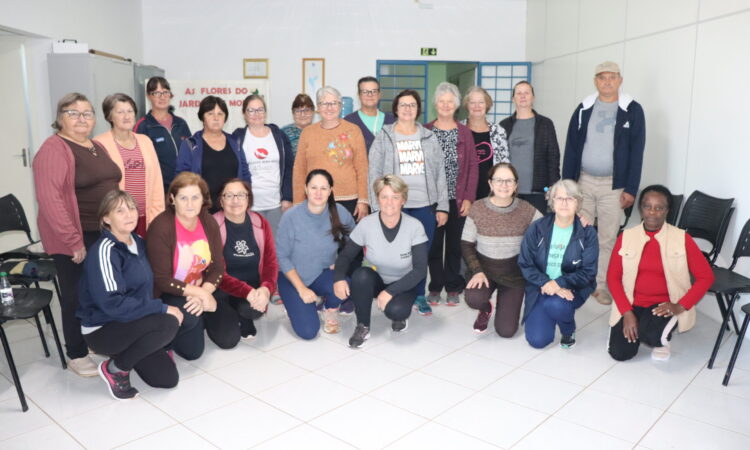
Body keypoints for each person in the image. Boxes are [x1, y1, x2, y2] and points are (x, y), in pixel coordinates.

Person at [33, 92, 122, 377]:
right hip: (75, 234)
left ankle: (90, 338)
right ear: (60, 118)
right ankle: (76, 352)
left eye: (87, 113)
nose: (81, 118)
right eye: (73, 113)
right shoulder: (54, 148)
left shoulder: (95, 146)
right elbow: (50, 200)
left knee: (97, 291)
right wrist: (72, 240)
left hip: (102, 232)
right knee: (75, 294)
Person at [78, 190, 183, 400]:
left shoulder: (139, 242)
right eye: (120, 211)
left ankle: (130, 352)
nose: (129, 215)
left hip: (132, 321)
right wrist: (161, 309)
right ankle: (116, 368)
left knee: (167, 379)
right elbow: (113, 304)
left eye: (132, 208)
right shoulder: (105, 251)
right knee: (168, 322)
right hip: (104, 327)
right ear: (106, 218)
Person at [562, 61, 646, 305]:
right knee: (579, 234)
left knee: (607, 238)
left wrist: (631, 188)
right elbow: (571, 147)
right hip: (583, 182)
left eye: (612, 77)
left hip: (614, 185)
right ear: (595, 81)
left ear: (620, 80)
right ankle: (579, 280)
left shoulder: (632, 109)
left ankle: (600, 285)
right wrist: (567, 185)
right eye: (602, 77)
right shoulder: (584, 108)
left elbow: (637, 151)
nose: (607, 81)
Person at [607, 185, 714, 362]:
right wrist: (626, 312)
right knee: (620, 353)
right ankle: (633, 327)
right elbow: (613, 278)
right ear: (641, 209)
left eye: (659, 208)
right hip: (631, 302)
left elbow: (706, 277)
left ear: (667, 211)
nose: (652, 212)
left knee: (653, 335)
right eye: (647, 206)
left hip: (662, 305)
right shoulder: (626, 236)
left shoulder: (681, 238)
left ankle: (661, 340)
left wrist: (680, 306)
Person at [369, 89, 448, 316]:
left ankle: (420, 295)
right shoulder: (385, 136)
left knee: (420, 254)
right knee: (396, 252)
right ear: (395, 109)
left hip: (424, 204)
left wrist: (442, 206)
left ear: (418, 109)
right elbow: (373, 172)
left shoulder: (429, 137)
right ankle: (396, 291)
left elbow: (440, 173)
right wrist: (377, 207)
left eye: (412, 105)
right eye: (403, 105)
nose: (407, 109)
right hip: (393, 206)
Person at [334, 175, 428, 348]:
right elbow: (346, 256)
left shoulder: (415, 226)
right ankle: (363, 326)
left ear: (403, 200)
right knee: (360, 275)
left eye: (395, 197)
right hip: (375, 279)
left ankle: (399, 317)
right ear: (377, 199)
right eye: (384, 196)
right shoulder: (366, 224)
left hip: (403, 284)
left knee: (396, 311)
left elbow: (421, 269)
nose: (389, 202)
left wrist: (390, 291)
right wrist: (338, 277)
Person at [146, 172, 223, 360]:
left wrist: (203, 292)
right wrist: (202, 295)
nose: (190, 204)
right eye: (183, 198)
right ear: (172, 199)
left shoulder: (208, 221)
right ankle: (162, 337)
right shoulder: (161, 227)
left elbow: (218, 268)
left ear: (203, 199)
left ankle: (196, 317)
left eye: (195, 197)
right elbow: (162, 280)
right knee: (193, 352)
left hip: (199, 288)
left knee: (221, 339)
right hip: (169, 293)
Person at [462, 163, 542, 337]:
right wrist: (477, 271)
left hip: (514, 274)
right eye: (499, 180)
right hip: (485, 272)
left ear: (515, 185)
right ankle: (485, 307)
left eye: (509, 181)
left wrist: (574, 219)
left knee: (506, 331)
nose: (504, 185)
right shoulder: (477, 208)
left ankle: (504, 303)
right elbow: (467, 244)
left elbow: (548, 228)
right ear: (490, 184)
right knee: (474, 298)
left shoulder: (526, 209)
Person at [518, 179, 598, 349]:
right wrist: (547, 283)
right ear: (552, 202)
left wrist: (559, 283)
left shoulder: (587, 233)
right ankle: (552, 311)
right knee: (538, 341)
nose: (564, 203)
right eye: (559, 198)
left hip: (573, 288)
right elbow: (525, 264)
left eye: (570, 198)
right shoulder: (537, 228)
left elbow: (588, 272)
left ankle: (568, 329)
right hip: (541, 286)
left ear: (578, 203)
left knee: (556, 304)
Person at [276, 169, 355, 339]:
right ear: (305, 189)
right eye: (313, 188)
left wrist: (341, 262)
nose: (318, 193)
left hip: (321, 274)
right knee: (309, 332)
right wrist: (302, 289)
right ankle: (296, 304)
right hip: (292, 278)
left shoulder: (340, 212)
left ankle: (330, 309)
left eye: (324, 188)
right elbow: (282, 257)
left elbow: (354, 242)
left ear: (330, 191)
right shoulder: (291, 217)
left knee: (345, 285)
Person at [424, 82, 478, 306]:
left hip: (458, 199)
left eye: (450, 101)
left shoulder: (464, 132)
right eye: (442, 100)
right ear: (436, 104)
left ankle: (453, 286)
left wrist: (468, 197)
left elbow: (473, 167)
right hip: (432, 199)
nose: (446, 105)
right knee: (434, 245)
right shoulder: (425, 131)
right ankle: (435, 286)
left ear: (456, 105)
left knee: (455, 246)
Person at [213, 179, 278, 341]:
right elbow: (215, 272)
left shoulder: (260, 222)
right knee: (227, 340)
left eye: (241, 195)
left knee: (253, 311)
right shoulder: (212, 225)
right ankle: (224, 314)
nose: (235, 201)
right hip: (223, 289)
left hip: (253, 288)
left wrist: (265, 289)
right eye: (229, 196)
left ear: (248, 199)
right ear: (221, 201)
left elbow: (271, 263)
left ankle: (242, 314)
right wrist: (246, 292)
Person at [292, 86, 369, 221]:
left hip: (349, 200)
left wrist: (363, 200)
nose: (329, 107)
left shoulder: (353, 131)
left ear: (340, 106)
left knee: (346, 241)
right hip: (316, 199)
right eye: (324, 103)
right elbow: (299, 170)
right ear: (318, 107)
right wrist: (298, 202)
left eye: (333, 103)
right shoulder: (307, 133)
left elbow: (362, 168)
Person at [95, 93, 165, 237]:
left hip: (146, 217)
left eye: (130, 111)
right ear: (109, 116)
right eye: (120, 112)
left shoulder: (145, 141)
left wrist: (157, 216)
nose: (126, 116)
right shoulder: (99, 143)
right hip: (118, 219)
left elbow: (157, 181)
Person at [176, 95, 251, 213]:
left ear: (225, 118)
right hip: (202, 211)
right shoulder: (190, 144)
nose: (216, 118)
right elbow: (182, 179)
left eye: (220, 114)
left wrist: (244, 200)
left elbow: (245, 175)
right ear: (202, 118)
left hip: (233, 209)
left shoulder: (235, 142)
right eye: (210, 113)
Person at [232, 94, 293, 233]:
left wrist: (288, 198)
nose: (256, 114)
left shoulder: (279, 136)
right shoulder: (237, 138)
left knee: (275, 249)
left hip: (276, 205)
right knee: (254, 248)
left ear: (265, 112)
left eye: (260, 109)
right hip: (249, 205)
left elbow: (289, 168)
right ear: (244, 114)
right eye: (251, 110)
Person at [499, 81, 560, 194]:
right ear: (513, 98)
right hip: (508, 190)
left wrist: (554, 184)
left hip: (538, 189)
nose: (523, 96)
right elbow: (498, 159)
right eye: (519, 93)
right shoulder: (504, 125)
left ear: (533, 98)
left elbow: (553, 156)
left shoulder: (545, 124)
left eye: (526, 93)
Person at [134, 76, 191, 191]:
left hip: (184, 187)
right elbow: (137, 163)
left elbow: (191, 153)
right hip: (158, 190)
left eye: (165, 92)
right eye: (156, 93)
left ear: (170, 95)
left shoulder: (181, 123)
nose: (162, 97)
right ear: (149, 96)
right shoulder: (143, 126)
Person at [461, 86, 510, 200]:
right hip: (463, 195)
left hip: (491, 194)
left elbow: (504, 165)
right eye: (472, 102)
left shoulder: (498, 131)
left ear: (487, 105)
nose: (477, 106)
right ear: (467, 105)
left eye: (481, 102)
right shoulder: (458, 130)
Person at [344, 76, 396, 152]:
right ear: (359, 95)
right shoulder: (349, 121)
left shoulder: (391, 121)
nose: (370, 95)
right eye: (365, 91)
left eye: (374, 91)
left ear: (379, 95)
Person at [281, 93, 315, 159]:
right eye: (298, 111)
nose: (302, 114)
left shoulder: (319, 132)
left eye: (307, 110)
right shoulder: (283, 134)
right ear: (293, 113)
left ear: (313, 112)